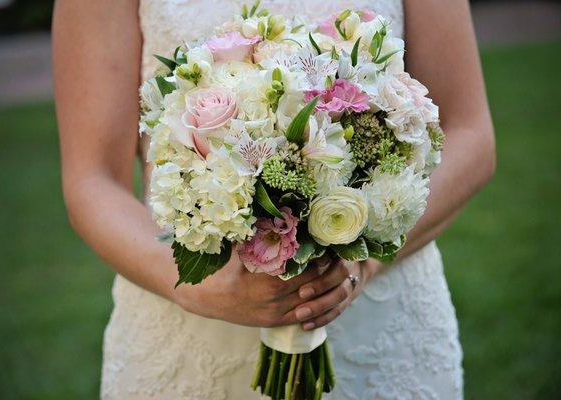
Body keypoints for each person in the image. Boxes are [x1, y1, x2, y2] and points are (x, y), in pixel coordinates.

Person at [53, 0, 495, 398]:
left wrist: (362, 260)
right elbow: (92, 179)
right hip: (186, 327)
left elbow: (470, 133)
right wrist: (198, 287)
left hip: (387, 326)